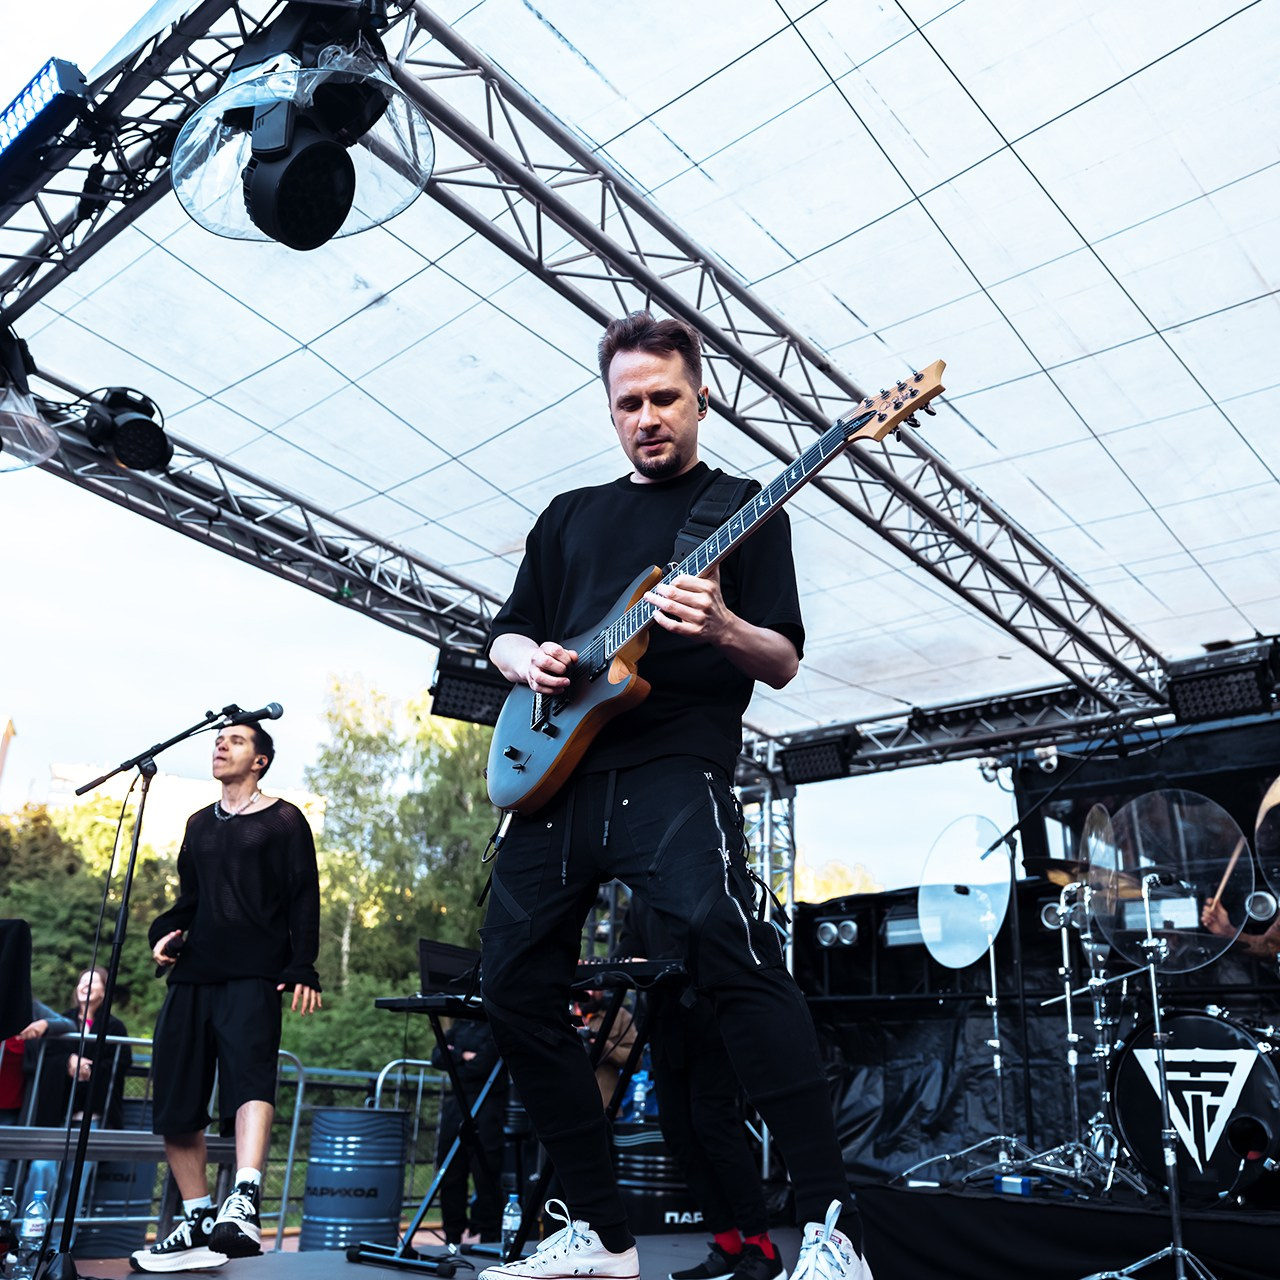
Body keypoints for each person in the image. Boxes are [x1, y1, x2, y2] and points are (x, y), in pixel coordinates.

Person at [479, 312, 872, 1280]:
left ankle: (831, 1229)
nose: (646, 417)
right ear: (610, 411)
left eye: (664, 398)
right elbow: (506, 632)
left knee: (735, 960)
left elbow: (780, 659)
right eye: (629, 403)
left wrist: (724, 623)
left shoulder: (747, 508)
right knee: (511, 987)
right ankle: (601, 1234)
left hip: (673, 768)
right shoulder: (567, 515)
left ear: (701, 399)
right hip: (556, 777)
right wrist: (531, 660)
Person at [130, 720, 322, 1274]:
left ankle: (243, 1199)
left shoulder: (284, 819)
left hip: (254, 973)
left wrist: (302, 964)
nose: (221, 744)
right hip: (193, 974)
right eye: (219, 739)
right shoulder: (198, 823)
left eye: (236, 740)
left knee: (249, 1080)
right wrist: (164, 935)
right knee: (175, 1098)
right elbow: (190, 900)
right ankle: (196, 1219)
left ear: (260, 760)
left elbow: (304, 895)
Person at [619, 898, 784, 1280]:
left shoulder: (700, 880)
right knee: (678, 1132)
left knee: (713, 1123)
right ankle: (728, 1244)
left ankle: (762, 1247)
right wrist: (628, 962)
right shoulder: (641, 899)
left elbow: (724, 941)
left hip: (712, 1021)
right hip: (665, 1026)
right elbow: (628, 948)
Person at [21, 966, 131, 1216]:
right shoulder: (63, 1020)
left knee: (75, 1181)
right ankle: (29, 1230)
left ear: (104, 991)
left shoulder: (114, 1027)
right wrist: (67, 1062)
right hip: (57, 1115)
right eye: (82, 982)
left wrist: (90, 1069)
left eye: (93, 983)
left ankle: (60, 1237)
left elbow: (120, 1063)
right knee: (42, 1168)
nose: (85, 987)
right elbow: (46, 1057)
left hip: (90, 1118)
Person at [430, 1019, 508, 1250]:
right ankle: (452, 1235)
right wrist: (464, 1056)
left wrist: (455, 1057)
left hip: (488, 1104)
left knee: (486, 1171)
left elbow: (484, 1064)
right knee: (450, 1169)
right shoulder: (460, 1024)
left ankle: (490, 1236)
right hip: (457, 1102)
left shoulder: (495, 1024)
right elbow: (437, 1056)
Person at [0, 997, 75, 1191]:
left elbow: (68, 1024)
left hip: (11, 1107)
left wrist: (44, 1024)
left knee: (1, 1168)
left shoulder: (30, 1007)